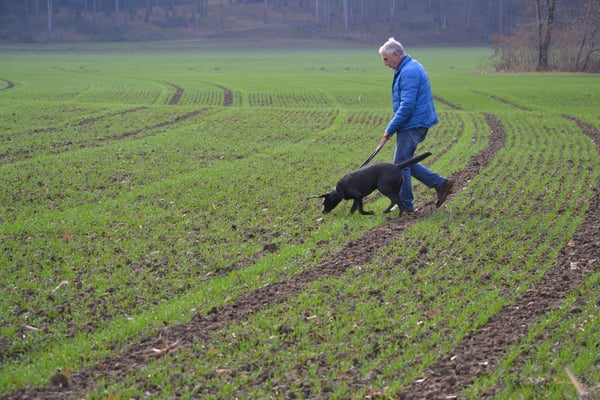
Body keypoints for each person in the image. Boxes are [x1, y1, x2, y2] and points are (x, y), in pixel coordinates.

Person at [379, 37, 454, 213]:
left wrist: (390, 128)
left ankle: (406, 205)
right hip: (413, 122)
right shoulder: (408, 68)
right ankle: (440, 184)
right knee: (405, 163)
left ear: (396, 54)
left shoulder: (409, 71)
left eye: (386, 59)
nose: (385, 64)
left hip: (413, 124)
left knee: (400, 165)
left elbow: (407, 106)